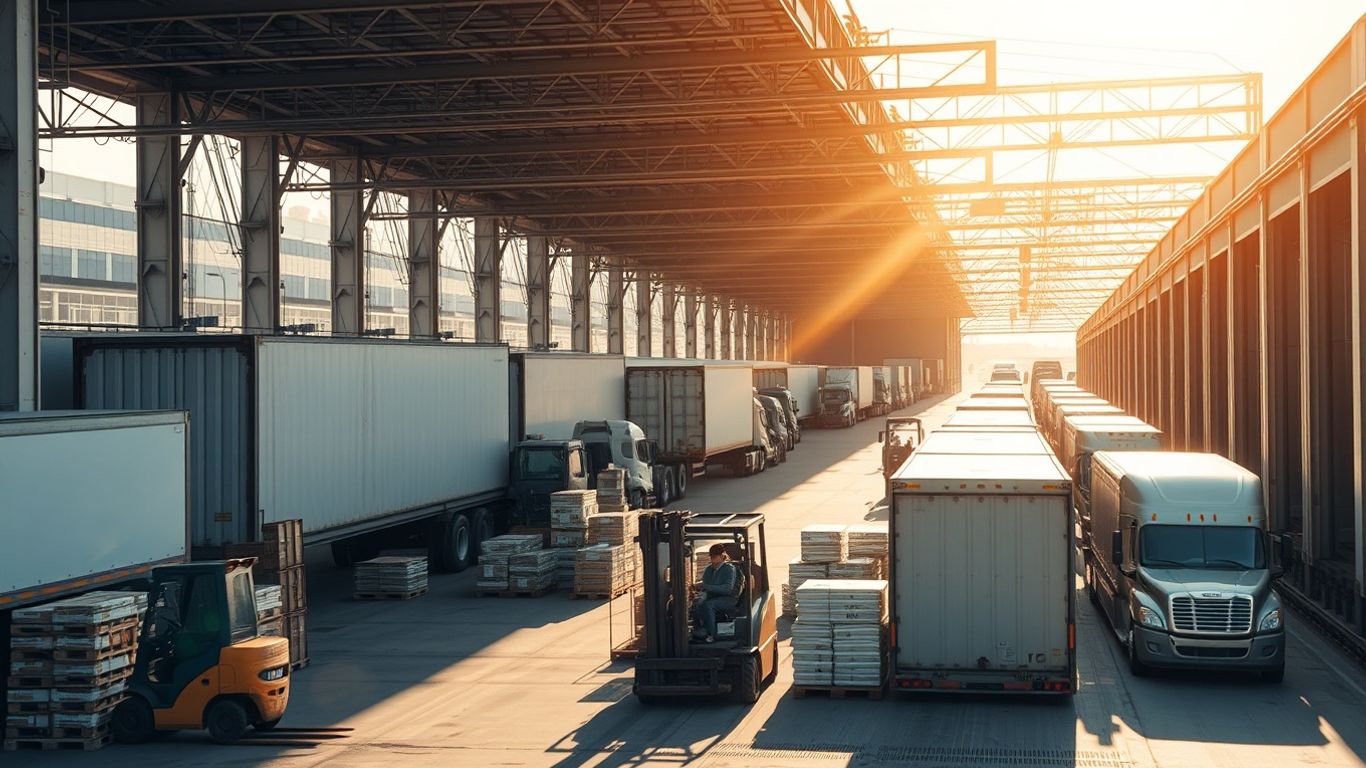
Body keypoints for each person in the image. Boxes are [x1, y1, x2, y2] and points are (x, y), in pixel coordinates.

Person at [692, 543, 742, 642]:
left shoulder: (729, 569)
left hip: (729, 599)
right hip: (713, 597)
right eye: (711, 555)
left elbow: (727, 589)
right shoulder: (709, 569)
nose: (712, 558)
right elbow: (706, 583)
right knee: (696, 603)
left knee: (709, 605)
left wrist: (705, 586)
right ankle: (698, 629)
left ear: (722, 556)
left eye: (715, 555)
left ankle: (710, 634)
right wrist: (697, 586)